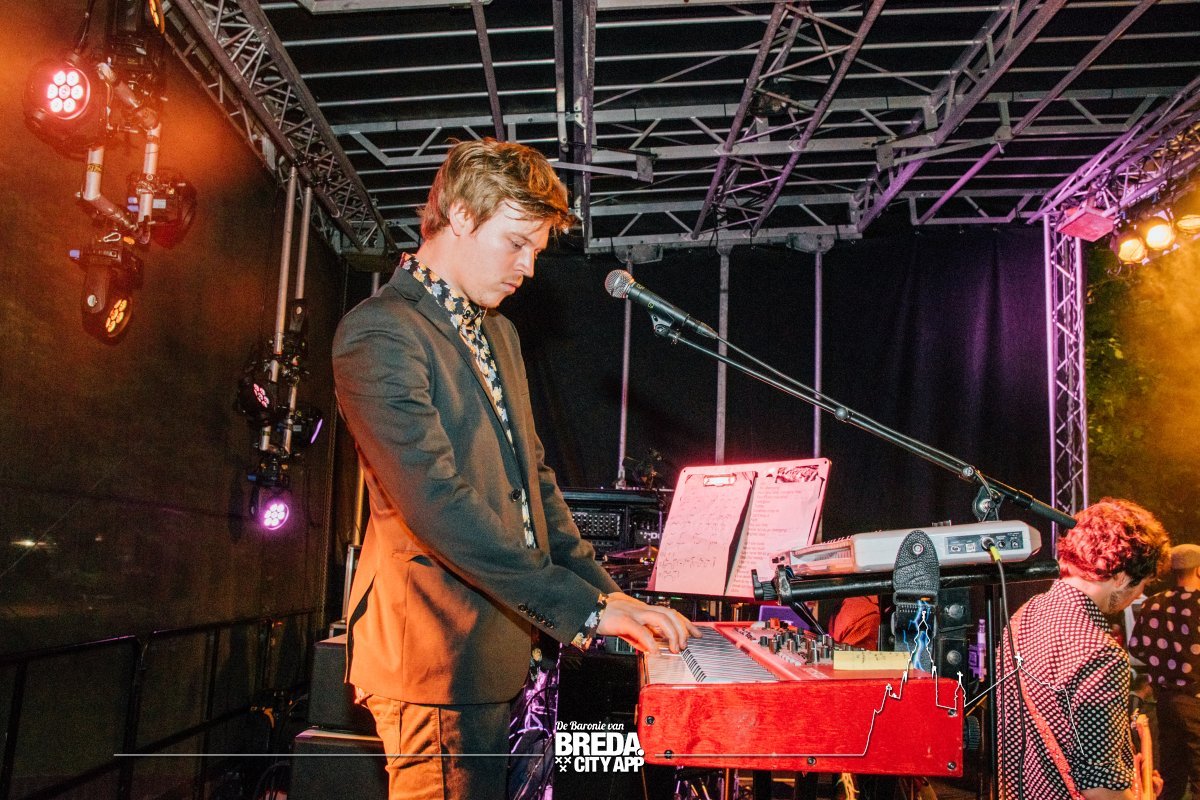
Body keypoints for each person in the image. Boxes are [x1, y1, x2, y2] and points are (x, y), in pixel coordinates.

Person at [332, 138, 700, 800]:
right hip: (436, 658)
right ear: (460, 215)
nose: (528, 267)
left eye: (536, 249)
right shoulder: (381, 332)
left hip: (496, 650)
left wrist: (607, 596)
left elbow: (535, 486)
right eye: (517, 242)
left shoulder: (496, 332)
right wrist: (584, 612)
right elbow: (438, 506)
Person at [997, 498, 1169, 800]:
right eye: (1143, 583)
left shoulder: (1026, 614)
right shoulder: (1101, 652)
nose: (1140, 594)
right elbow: (1099, 787)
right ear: (1121, 577)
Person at [1129, 542, 1200, 800]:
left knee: (1172, 776)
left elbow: (1136, 647)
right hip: (1196, 699)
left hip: (1166, 701)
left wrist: (1164, 662)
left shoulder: (1154, 604)